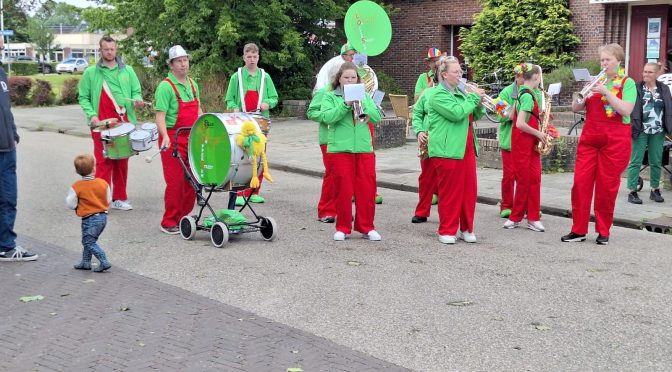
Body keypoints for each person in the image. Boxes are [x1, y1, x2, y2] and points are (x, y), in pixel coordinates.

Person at [562, 44, 636, 245]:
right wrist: (581, 96)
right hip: (590, 139)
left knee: (606, 187)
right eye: (602, 60)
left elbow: (626, 110)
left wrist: (606, 92)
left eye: (608, 60)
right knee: (580, 184)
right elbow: (576, 107)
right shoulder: (596, 81)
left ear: (618, 61)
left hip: (615, 142)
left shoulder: (627, 83)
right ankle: (578, 230)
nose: (604, 63)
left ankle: (603, 230)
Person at [78, 36, 144, 211]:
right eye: (106, 49)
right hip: (101, 123)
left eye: (112, 49)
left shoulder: (128, 70)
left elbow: (136, 91)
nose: (109, 52)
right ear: (100, 50)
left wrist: (137, 100)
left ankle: (119, 198)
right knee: (103, 162)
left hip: (124, 121)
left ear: (116, 49)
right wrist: (92, 115)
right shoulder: (91, 73)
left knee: (122, 162)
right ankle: (100, 200)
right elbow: (83, 97)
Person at [320, 62, 382, 241]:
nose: (349, 80)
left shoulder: (365, 96)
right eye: (346, 77)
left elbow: (376, 117)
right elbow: (327, 117)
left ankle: (367, 227)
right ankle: (343, 227)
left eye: (353, 78)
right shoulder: (331, 96)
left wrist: (363, 102)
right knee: (343, 190)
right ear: (339, 79)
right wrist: (345, 105)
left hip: (364, 149)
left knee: (367, 190)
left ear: (357, 80)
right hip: (340, 149)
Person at [427, 57, 485, 244]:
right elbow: (456, 113)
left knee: (469, 192)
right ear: (444, 74)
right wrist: (474, 97)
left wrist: (479, 104)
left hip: (466, 148)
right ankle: (447, 230)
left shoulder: (460, 94)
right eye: (456, 72)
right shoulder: (437, 95)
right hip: (446, 149)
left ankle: (467, 228)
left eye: (461, 72)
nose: (460, 75)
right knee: (450, 193)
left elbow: (472, 115)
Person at [154, 45, 203, 234]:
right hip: (172, 138)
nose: (183, 64)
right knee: (175, 182)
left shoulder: (193, 84)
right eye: (179, 61)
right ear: (171, 65)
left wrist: (205, 125)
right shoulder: (165, 87)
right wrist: (165, 136)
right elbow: (160, 116)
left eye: (185, 60)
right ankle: (168, 221)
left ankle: (184, 217)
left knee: (192, 179)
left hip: (191, 137)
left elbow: (198, 109)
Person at [225, 43, 279, 205]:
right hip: (242, 121)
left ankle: (254, 191)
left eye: (255, 56)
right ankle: (240, 192)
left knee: (260, 154)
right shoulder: (237, 77)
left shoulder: (265, 77)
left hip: (260, 121)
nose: (252, 59)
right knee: (241, 156)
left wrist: (267, 103)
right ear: (243, 57)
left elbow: (275, 98)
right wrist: (234, 108)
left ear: (258, 58)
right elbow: (229, 99)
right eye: (249, 56)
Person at [0, 37, 38, 262]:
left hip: (7, 148)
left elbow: (6, 108)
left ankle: (5, 244)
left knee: (8, 199)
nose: (2, 47)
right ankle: (4, 245)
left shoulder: (1, 73)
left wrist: (13, 133)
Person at [502, 64, 547, 232]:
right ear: (535, 78)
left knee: (534, 179)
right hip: (525, 143)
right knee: (525, 181)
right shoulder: (528, 95)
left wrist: (537, 116)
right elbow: (520, 123)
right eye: (539, 79)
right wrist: (539, 133)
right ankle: (517, 217)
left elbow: (512, 115)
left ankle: (532, 217)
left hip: (525, 143)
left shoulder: (521, 91)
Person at [626, 62, 672, 204]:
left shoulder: (663, 89)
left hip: (658, 130)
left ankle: (655, 189)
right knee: (636, 160)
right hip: (641, 129)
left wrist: (669, 127)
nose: (646, 74)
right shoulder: (637, 87)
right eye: (644, 71)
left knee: (656, 161)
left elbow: (669, 108)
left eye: (650, 72)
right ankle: (632, 191)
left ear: (657, 74)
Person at [66, 154, 112, 272]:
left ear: (77, 171)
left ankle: (104, 260)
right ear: (94, 168)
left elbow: (71, 203)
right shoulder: (103, 183)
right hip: (103, 217)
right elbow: (108, 199)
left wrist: (78, 206)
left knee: (88, 241)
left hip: (89, 219)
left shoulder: (77, 186)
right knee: (89, 240)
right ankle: (86, 262)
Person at [496, 65, 526, 218]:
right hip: (510, 141)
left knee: (526, 176)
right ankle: (506, 205)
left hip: (527, 141)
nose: (527, 80)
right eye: (524, 77)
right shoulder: (506, 92)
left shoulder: (532, 91)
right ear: (517, 77)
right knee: (509, 176)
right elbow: (500, 114)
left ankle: (525, 206)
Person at [410, 74, 439, 223]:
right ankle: (422, 211)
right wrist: (419, 131)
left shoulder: (459, 94)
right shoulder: (427, 93)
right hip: (428, 138)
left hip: (447, 141)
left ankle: (448, 214)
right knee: (426, 177)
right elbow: (417, 113)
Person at [307, 83, 336, 223]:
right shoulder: (325, 91)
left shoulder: (352, 91)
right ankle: (326, 211)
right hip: (329, 139)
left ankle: (342, 210)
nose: (349, 79)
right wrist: (326, 116)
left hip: (348, 139)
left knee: (346, 176)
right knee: (332, 174)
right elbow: (311, 112)